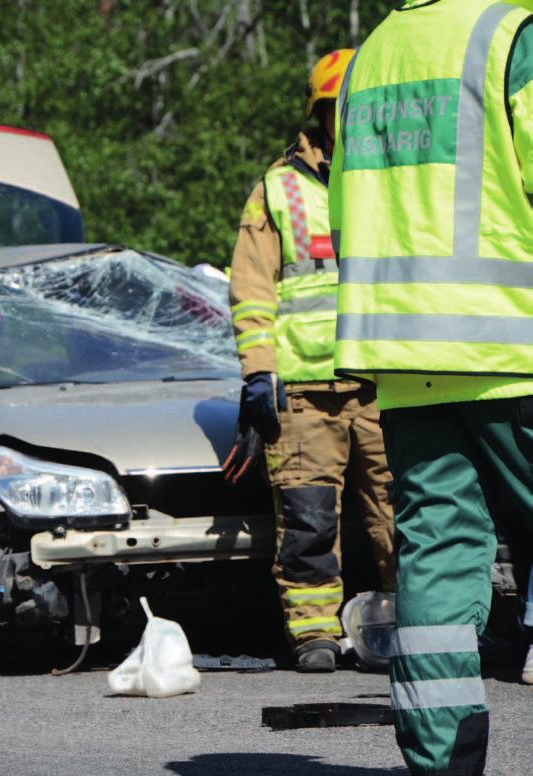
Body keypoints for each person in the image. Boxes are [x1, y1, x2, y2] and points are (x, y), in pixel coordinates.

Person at [329, 1, 533, 773]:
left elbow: (349, 209)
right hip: (511, 339)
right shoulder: (509, 36)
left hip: (409, 353)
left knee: (438, 558)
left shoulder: (374, 51)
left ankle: (442, 757)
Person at [222, 49, 396, 673]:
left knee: (400, 512)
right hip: (303, 390)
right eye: (337, 110)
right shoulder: (277, 190)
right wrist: (258, 371)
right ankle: (315, 633)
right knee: (308, 518)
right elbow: (251, 290)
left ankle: (423, 627)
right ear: (320, 114)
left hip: (384, 381)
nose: (348, 121)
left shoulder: (391, 179)